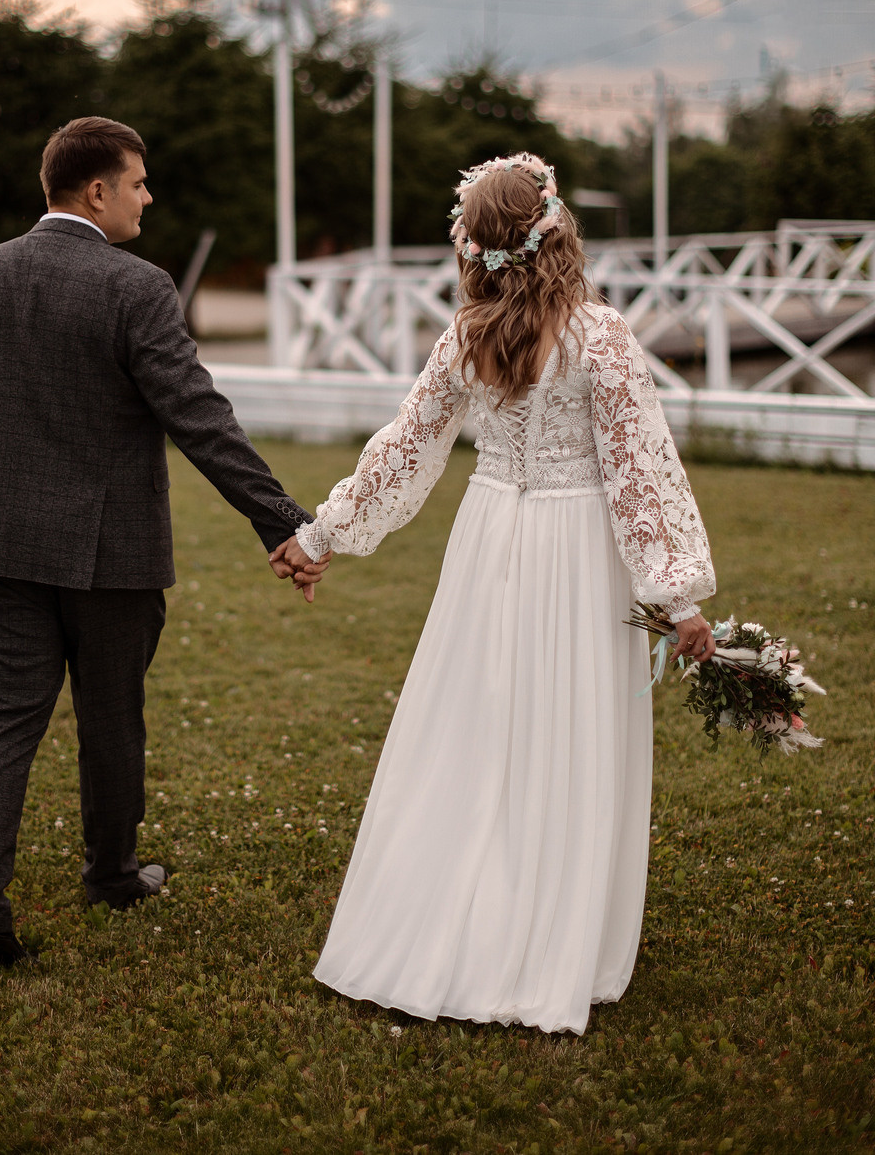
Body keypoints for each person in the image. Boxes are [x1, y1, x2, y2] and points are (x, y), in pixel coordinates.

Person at [271, 152, 716, 1035]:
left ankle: (454, 919)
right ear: (558, 231)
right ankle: (549, 933)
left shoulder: (466, 335)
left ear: (475, 245)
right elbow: (637, 475)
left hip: (490, 541)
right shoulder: (601, 336)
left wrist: (320, 535)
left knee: (478, 724)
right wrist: (677, 595)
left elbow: (407, 447)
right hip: (576, 545)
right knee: (566, 725)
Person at [0, 116, 325, 978]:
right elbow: (198, 416)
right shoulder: (138, 286)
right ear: (97, 191)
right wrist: (282, 521)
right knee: (111, 717)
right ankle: (113, 877)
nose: (147, 196)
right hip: (107, 553)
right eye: (138, 181)